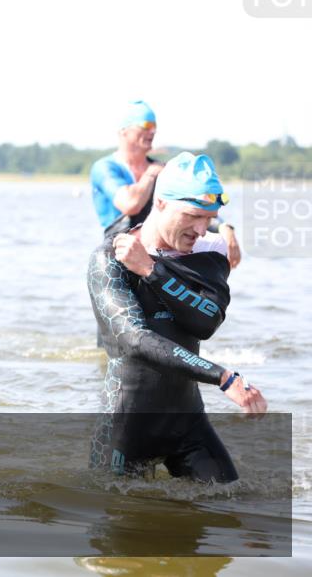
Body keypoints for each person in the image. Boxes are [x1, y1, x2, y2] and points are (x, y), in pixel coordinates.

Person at [87, 152, 267, 483]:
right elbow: (136, 341)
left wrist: (152, 271)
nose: (201, 229)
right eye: (193, 216)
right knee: (119, 524)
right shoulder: (110, 258)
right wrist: (222, 377)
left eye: (209, 218)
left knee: (239, 508)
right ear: (161, 204)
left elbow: (206, 322)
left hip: (188, 424)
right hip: (126, 428)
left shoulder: (210, 251)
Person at [90, 100, 241, 268]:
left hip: (159, 253)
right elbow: (130, 204)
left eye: (154, 126)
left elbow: (196, 206)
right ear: (123, 131)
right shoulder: (105, 168)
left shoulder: (161, 170)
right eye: (146, 125)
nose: (152, 131)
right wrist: (150, 174)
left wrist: (225, 228)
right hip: (119, 254)